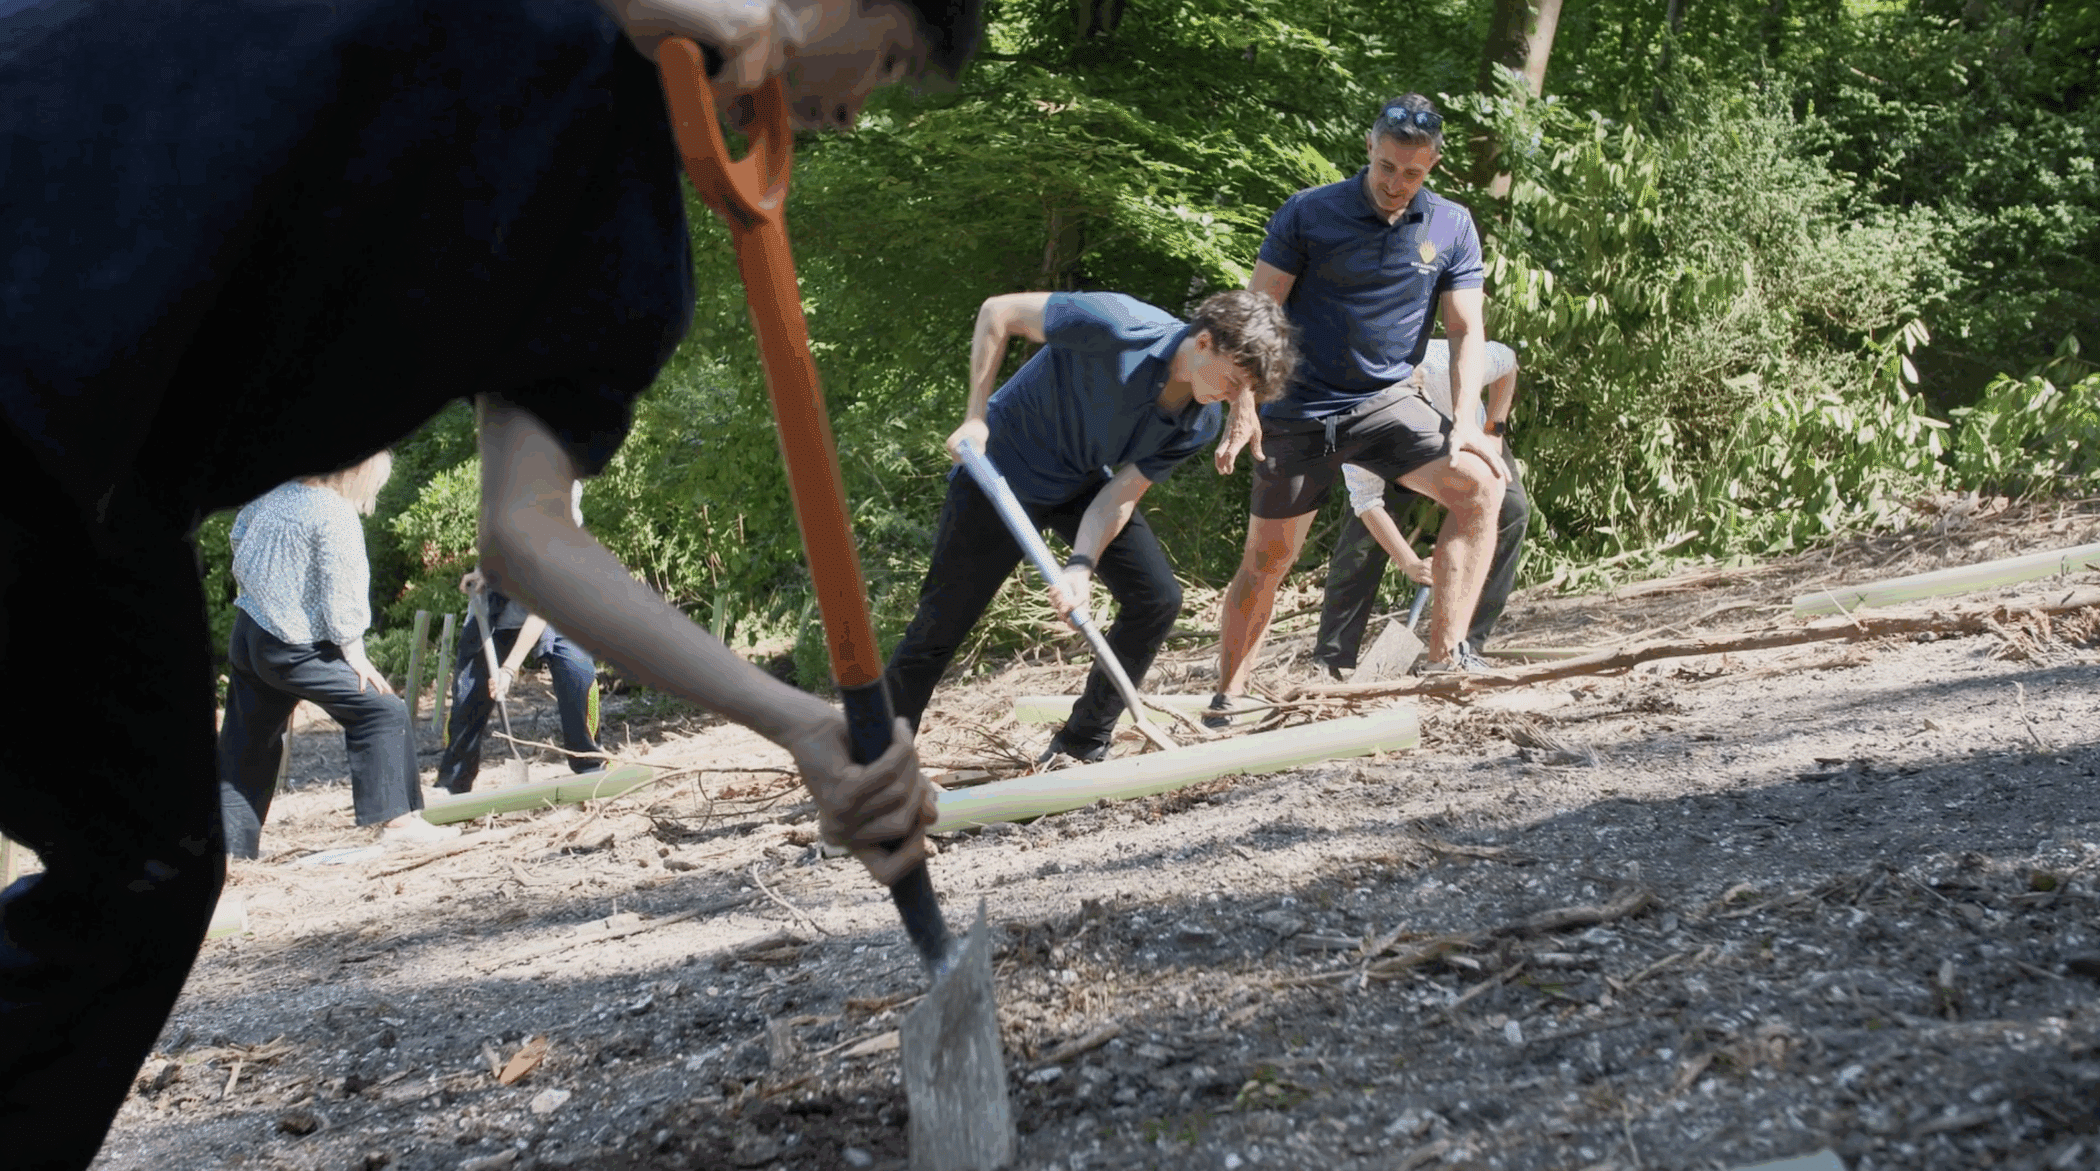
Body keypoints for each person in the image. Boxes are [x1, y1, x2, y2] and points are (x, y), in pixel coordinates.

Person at [0, 0, 982, 1166]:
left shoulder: (626, 259)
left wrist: (801, 725)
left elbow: (531, 536)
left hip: (98, 493)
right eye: (891, 58)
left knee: (144, 876)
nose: (861, 108)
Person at [884, 290, 1297, 764]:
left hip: (1079, 482)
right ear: (1204, 343)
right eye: (1231, 381)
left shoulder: (1197, 423)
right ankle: (876, 763)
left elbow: (1118, 497)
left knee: (1157, 598)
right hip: (999, 471)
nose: (1232, 397)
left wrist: (1080, 566)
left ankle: (1080, 745)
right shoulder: (1118, 324)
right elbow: (998, 312)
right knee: (939, 627)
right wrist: (975, 417)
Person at [1209, 92, 1509, 725]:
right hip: (1298, 410)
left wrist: (1465, 420)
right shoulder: (1309, 214)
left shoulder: (1451, 226)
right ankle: (1227, 697)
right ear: (1370, 150)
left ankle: (1444, 663)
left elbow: (1465, 332)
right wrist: (1244, 404)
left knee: (1480, 488)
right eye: (1388, 168)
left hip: (1385, 403)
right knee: (1267, 560)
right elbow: (1255, 315)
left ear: (1431, 167)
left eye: (1413, 173)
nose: (1397, 183)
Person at [216, 451, 456, 856]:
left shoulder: (273, 494)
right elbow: (343, 586)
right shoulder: (334, 513)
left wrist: (266, 586)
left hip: (248, 633)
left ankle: (228, 853)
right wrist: (354, 652)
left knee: (247, 745)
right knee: (382, 711)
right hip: (291, 643)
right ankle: (399, 825)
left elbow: (238, 537)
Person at [1313, 338, 1531, 676]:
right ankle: (1333, 659)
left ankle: (1464, 645)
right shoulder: (1361, 414)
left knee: (1511, 511)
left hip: (1469, 439)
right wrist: (1410, 562)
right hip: (1394, 459)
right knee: (1360, 544)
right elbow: (1367, 502)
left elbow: (1509, 362)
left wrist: (1494, 430)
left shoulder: (1447, 364)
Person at [440, 484, 607, 792]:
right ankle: (453, 784)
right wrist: (482, 577)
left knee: (577, 674)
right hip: (495, 608)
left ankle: (590, 767)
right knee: (467, 694)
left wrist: (508, 670)